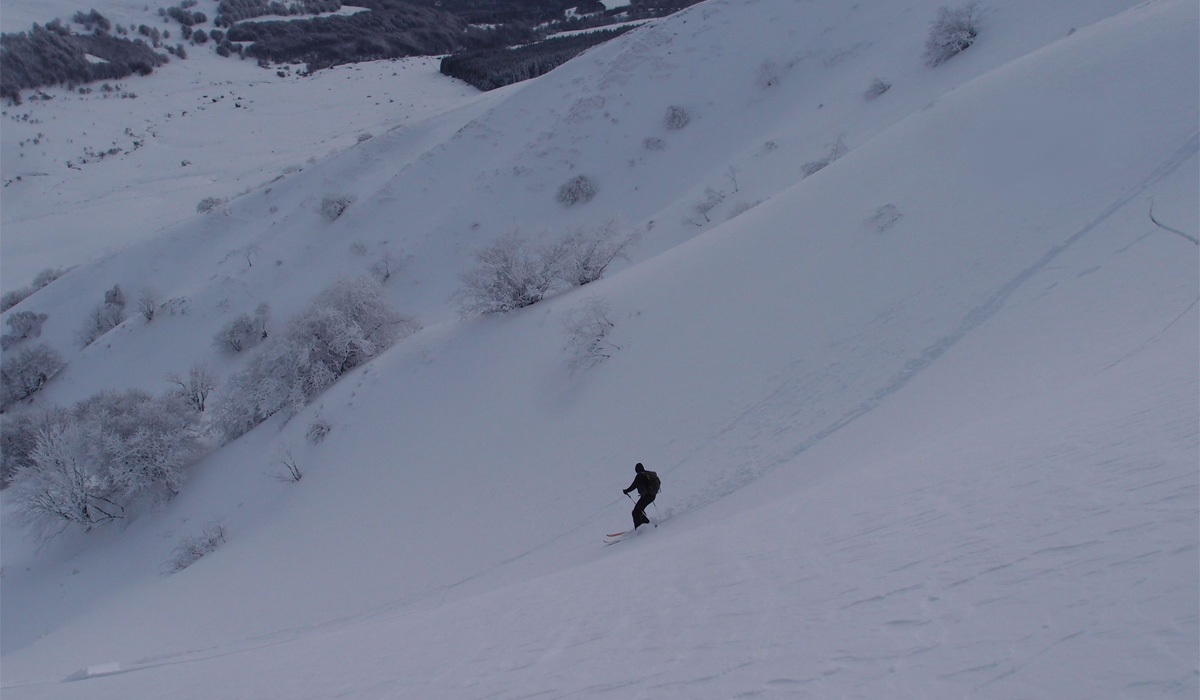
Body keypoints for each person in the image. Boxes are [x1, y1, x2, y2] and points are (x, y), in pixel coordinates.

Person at [622, 463, 660, 529]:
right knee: (639, 510)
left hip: (647, 496)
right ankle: (646, 524)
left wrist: (626, 491)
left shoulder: (640, 476)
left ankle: (639, 529)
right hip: (652, 495)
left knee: (635, 512)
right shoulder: (647, 474)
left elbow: (634, 485)